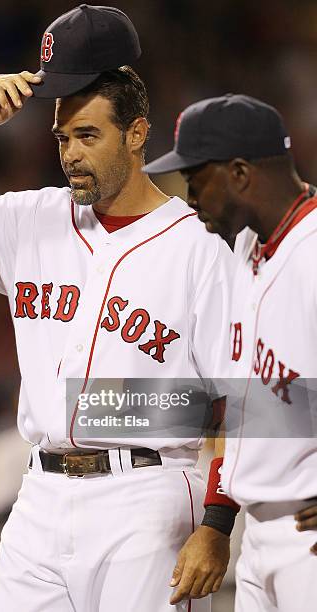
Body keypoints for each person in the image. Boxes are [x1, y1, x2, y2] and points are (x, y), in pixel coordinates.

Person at [0, 6, 237, 610]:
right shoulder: (31, 218)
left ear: (135, 132)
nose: (70, 154)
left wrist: (216, 524)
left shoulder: (199, 246)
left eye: (88, 136)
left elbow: (239, 402)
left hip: (147, 498)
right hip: (39, 497)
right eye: (62, 138)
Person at [143, 93, 317, 611]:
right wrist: (218, 523)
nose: (188, 196)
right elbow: (242, 406)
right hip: (257, 537)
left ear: (239, 172)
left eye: (197, 180)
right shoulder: (246, 247)